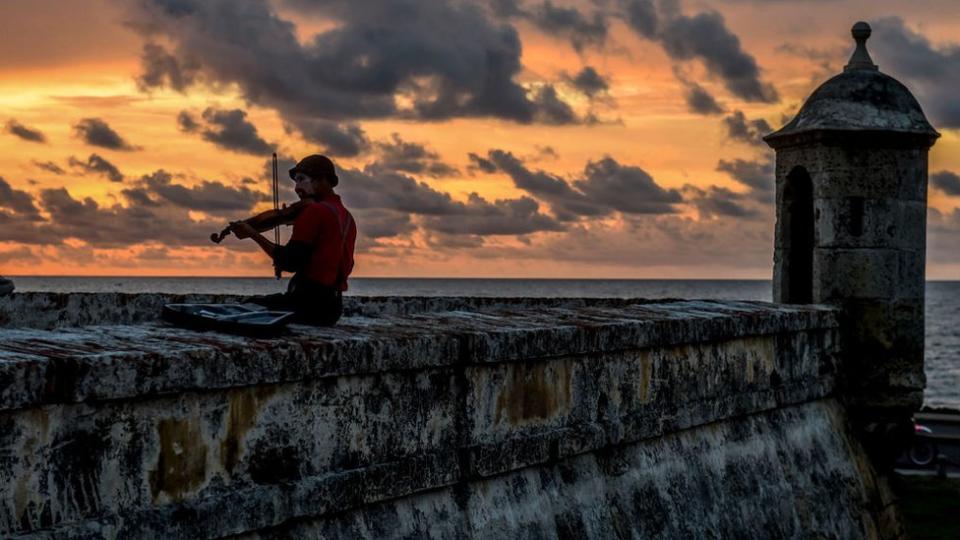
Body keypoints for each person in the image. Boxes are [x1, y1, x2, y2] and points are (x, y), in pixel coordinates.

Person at [232, 154, 357, 325]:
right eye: (295, 182)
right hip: (332, 308)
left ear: (321, 180)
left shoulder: (315, 212)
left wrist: (253, 233)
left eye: (301, 179)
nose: (297, 188)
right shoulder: (347, 217)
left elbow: (289, 262)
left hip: (305, 306)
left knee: (244, 309)